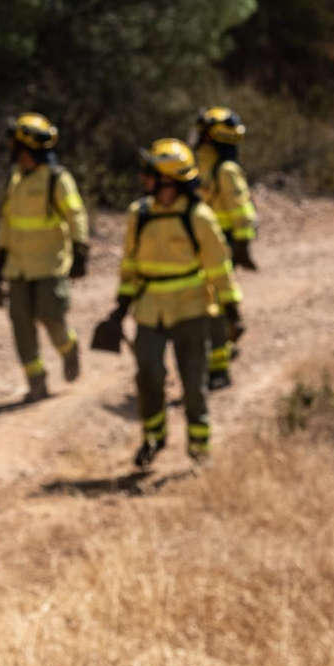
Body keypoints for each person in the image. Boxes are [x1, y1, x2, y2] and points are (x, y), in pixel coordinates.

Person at [111, 139, 235, 467]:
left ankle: (199, 445)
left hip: (192, 310)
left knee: (194, 382)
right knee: (147, 375)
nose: (143, 179)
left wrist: (232, 307)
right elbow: (129, 264)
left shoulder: (199, 217)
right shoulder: (138, 215)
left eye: (149, 173)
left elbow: (219, 266)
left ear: (167, 180)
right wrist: (120, 306)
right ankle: (154, 437)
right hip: (150, 310)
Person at [0, 112, 90, 402]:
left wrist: (81, 251)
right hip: (18, 268)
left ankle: (68, 348)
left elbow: (76, 214)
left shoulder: (57, 179)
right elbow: (7, 224)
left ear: (24, 147)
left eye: (14, 144)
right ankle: (37, 382)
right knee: (21, 325)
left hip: (49, 265)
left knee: (51, 317)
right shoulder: (15, 179)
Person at [191, 107, 252, 390]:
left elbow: (242, 211)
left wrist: (241, 245)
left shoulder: (224, 170)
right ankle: (220, 349)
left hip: (221, 244)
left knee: (214, 305)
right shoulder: (197, 164)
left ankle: (219, 364)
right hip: (197, 241)